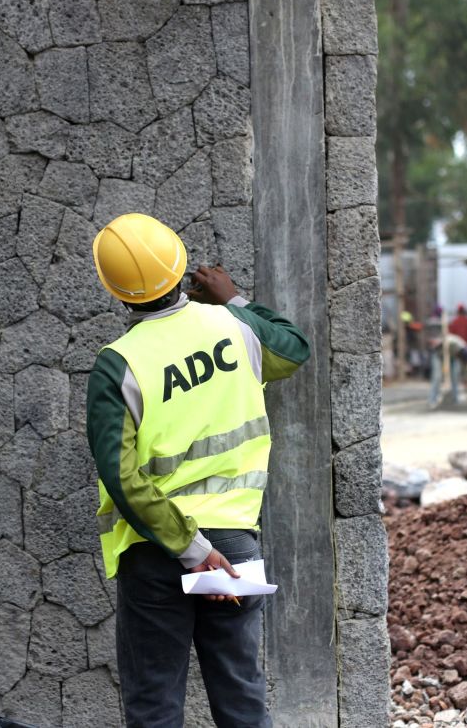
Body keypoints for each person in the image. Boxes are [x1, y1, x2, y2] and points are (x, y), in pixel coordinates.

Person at [85, 213, 310, 727]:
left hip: (157, 554)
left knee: (154, 704)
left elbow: (120, 477)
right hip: (233, 549)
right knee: (241, 696)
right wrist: (232, 297)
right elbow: (293, 348)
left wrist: (190, 548)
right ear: (181, 267)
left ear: (115, 290)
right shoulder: (235, 326)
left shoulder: (117, 364)